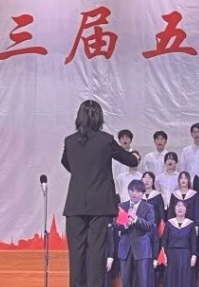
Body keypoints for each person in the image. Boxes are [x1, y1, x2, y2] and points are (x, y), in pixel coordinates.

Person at [62, 100, 141, 287]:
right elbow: (130, 160)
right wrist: (136, 156)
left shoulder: (70, 141)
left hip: (75, 204)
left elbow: (66, 163)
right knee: (97, 253)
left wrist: (82, 174)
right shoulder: (105, 140)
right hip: (100, 205)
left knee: (76, 255)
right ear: (99, 118)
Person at [118, 179, 156, 287]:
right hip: (125, 249)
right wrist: (125, 224)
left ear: (142, 193)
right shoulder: (122, 206)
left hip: (141, 250)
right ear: (128, 191)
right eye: (132, 190)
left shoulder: (148, 207)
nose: (134, 193)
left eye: (138, 191)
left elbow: (150, 226)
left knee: (142, 282)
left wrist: (135, 219)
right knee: (126, 282)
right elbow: (116, 226)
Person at [161, 200, 197, 287]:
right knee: (171, 279)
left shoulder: (191, 224)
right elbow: (164, 240)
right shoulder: (169, 223)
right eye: (178, 206)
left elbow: (193, 241)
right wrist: (163, 255)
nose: (180, 208)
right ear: (174, 209)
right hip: (171, 255)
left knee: (185, 278)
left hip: (185, 255)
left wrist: (194, 255)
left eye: (182, 206)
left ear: (186, 209)